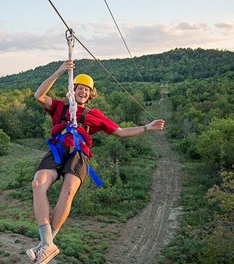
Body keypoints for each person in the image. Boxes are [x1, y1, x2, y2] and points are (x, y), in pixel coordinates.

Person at [27, 60, 165, 264]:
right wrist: (59, 71)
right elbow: (38, 95)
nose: (82, 92)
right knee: (38, 184)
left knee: (69, 191)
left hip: (78, 155)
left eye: (86, 90)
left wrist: (147, 127)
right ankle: (47, 243)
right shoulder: (59, 107)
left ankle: (46, 244)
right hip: (58, 150)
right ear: (72, 90)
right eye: (79, 88)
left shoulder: (94, 115)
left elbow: (120, 132)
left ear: (90, 95)